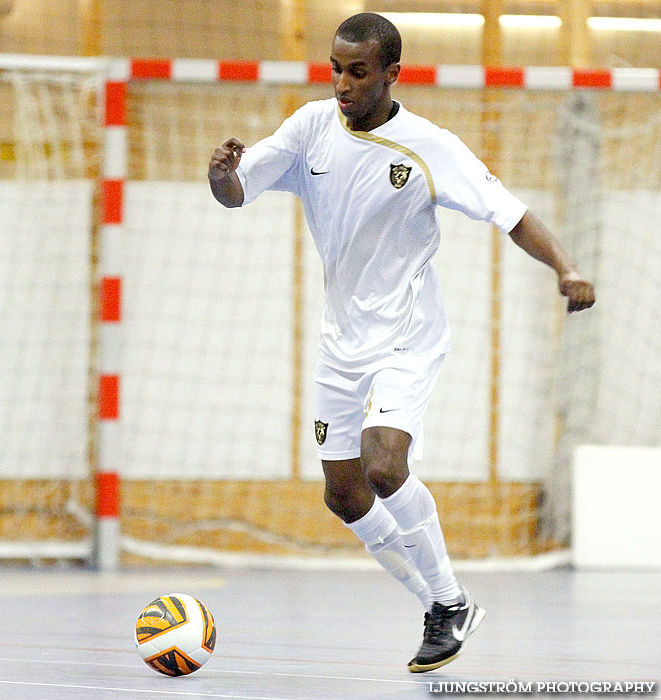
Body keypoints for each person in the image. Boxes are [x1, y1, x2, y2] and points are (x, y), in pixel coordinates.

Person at [208, 12, 595, 673]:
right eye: (334, 68)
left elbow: (513, 214)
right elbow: (238, 192)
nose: (341, 83)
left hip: (408, 337)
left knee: (384, 468)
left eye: (357, 72)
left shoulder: (429, 146)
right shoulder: (308, 130)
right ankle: (446, 603)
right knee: (344, 494)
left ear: (391, 75)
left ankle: (446, 600)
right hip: (342, 343)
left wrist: (567, 267)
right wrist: (221, 175)